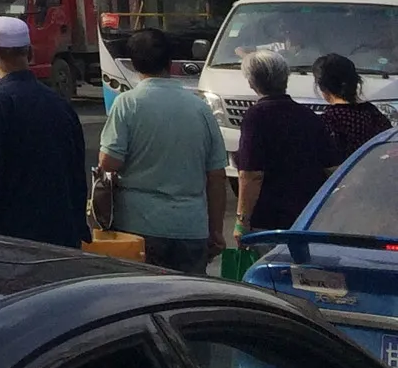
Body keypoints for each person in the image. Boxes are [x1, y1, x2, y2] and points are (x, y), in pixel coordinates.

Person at [96, 28, 228, 271]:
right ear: (170, 62)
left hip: (138, 227)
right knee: (187, 293)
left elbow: (108, 163)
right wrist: (216, 230)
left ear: (134, 64)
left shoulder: (127, 103)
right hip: (190, 228)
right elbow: (217, 176)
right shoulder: (200, 108)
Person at [0, 15, 90, 250]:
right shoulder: (59, 102)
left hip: (15, 241)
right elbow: (76, 172)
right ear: (30, 53)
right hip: (63, 237)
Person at [236, 49, 334, 238]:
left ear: (251, 82)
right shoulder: (308, 116)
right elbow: (331, 167)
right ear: (285, 78)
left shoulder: (255, 117)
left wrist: (242, 221)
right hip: (306, 216)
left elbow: (251, 174)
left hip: (268, 221)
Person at [316, 52, 385, 164]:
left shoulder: (328, 119)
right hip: (374, 170)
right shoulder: (372, 112)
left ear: (323, 88)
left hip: (344, 174)